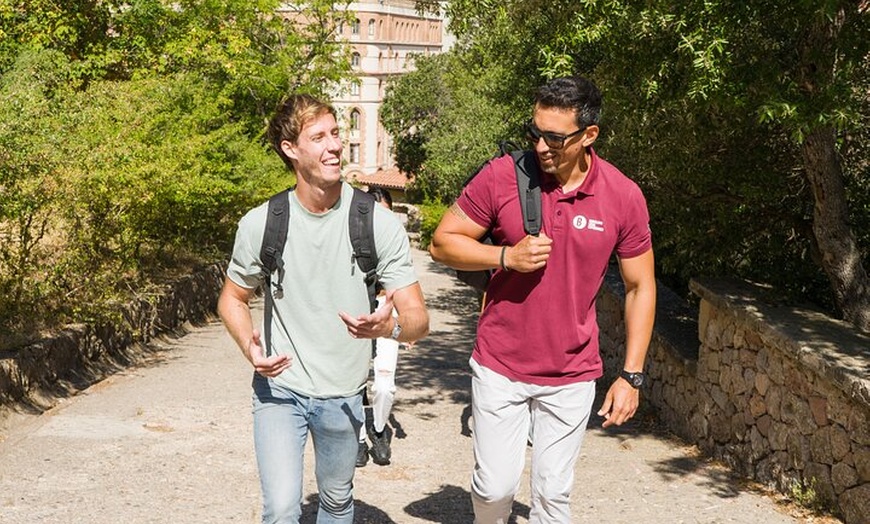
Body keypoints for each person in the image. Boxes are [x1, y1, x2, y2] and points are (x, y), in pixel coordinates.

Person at [429, 75, 656, 523]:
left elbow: (640, 286)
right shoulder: (502, 176)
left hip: (572, 372)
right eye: (534, 132)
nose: (540, 146)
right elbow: (442, 243)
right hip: (500, 364)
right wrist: (505, 256)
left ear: (589, 135)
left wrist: (631, 376)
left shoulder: (622, 195)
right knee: (493, 489)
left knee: (553, 495)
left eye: (554, 137)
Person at [218, 94, 429, 524]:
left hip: (344, 394)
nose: (334, 145)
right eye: (318, 137)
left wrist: (388, 328)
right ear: (290, 149)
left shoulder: (375, 222)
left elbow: (418, 321)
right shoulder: (263, 222)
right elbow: (232, 298)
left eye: (335, 133)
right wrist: (249, 348)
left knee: (335, 502)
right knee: (281, 508)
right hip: (280, 390)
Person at [356, 187, 405, 467]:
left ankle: (378, 429)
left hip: (388, 310)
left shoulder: (395, 241)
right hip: (357, 310)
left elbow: (408, 283)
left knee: (385, 386)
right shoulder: (351, 237)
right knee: (354, 380)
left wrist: (407, 322)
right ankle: (359, 438)